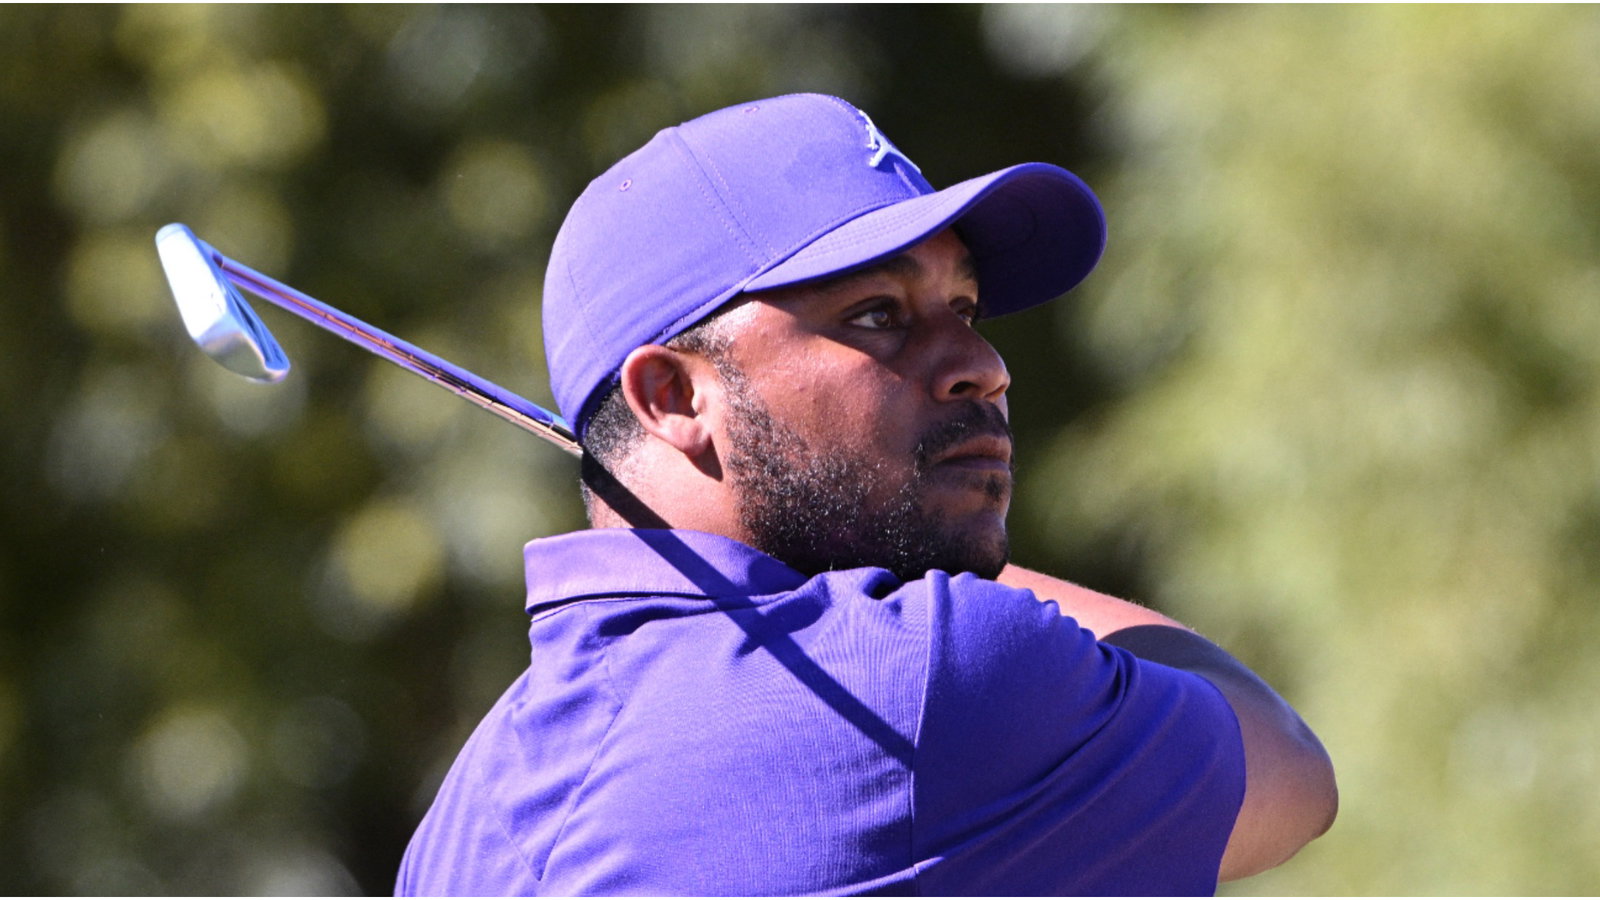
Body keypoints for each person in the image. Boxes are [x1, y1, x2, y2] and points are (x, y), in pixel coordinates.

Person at [395, 93, 1336, 896]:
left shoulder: (465, 813)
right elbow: (1288, 768)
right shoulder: (924, 675)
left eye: (962, 309)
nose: (982, 366)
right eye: (878, 315)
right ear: (676, 396)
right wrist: (953, 563)